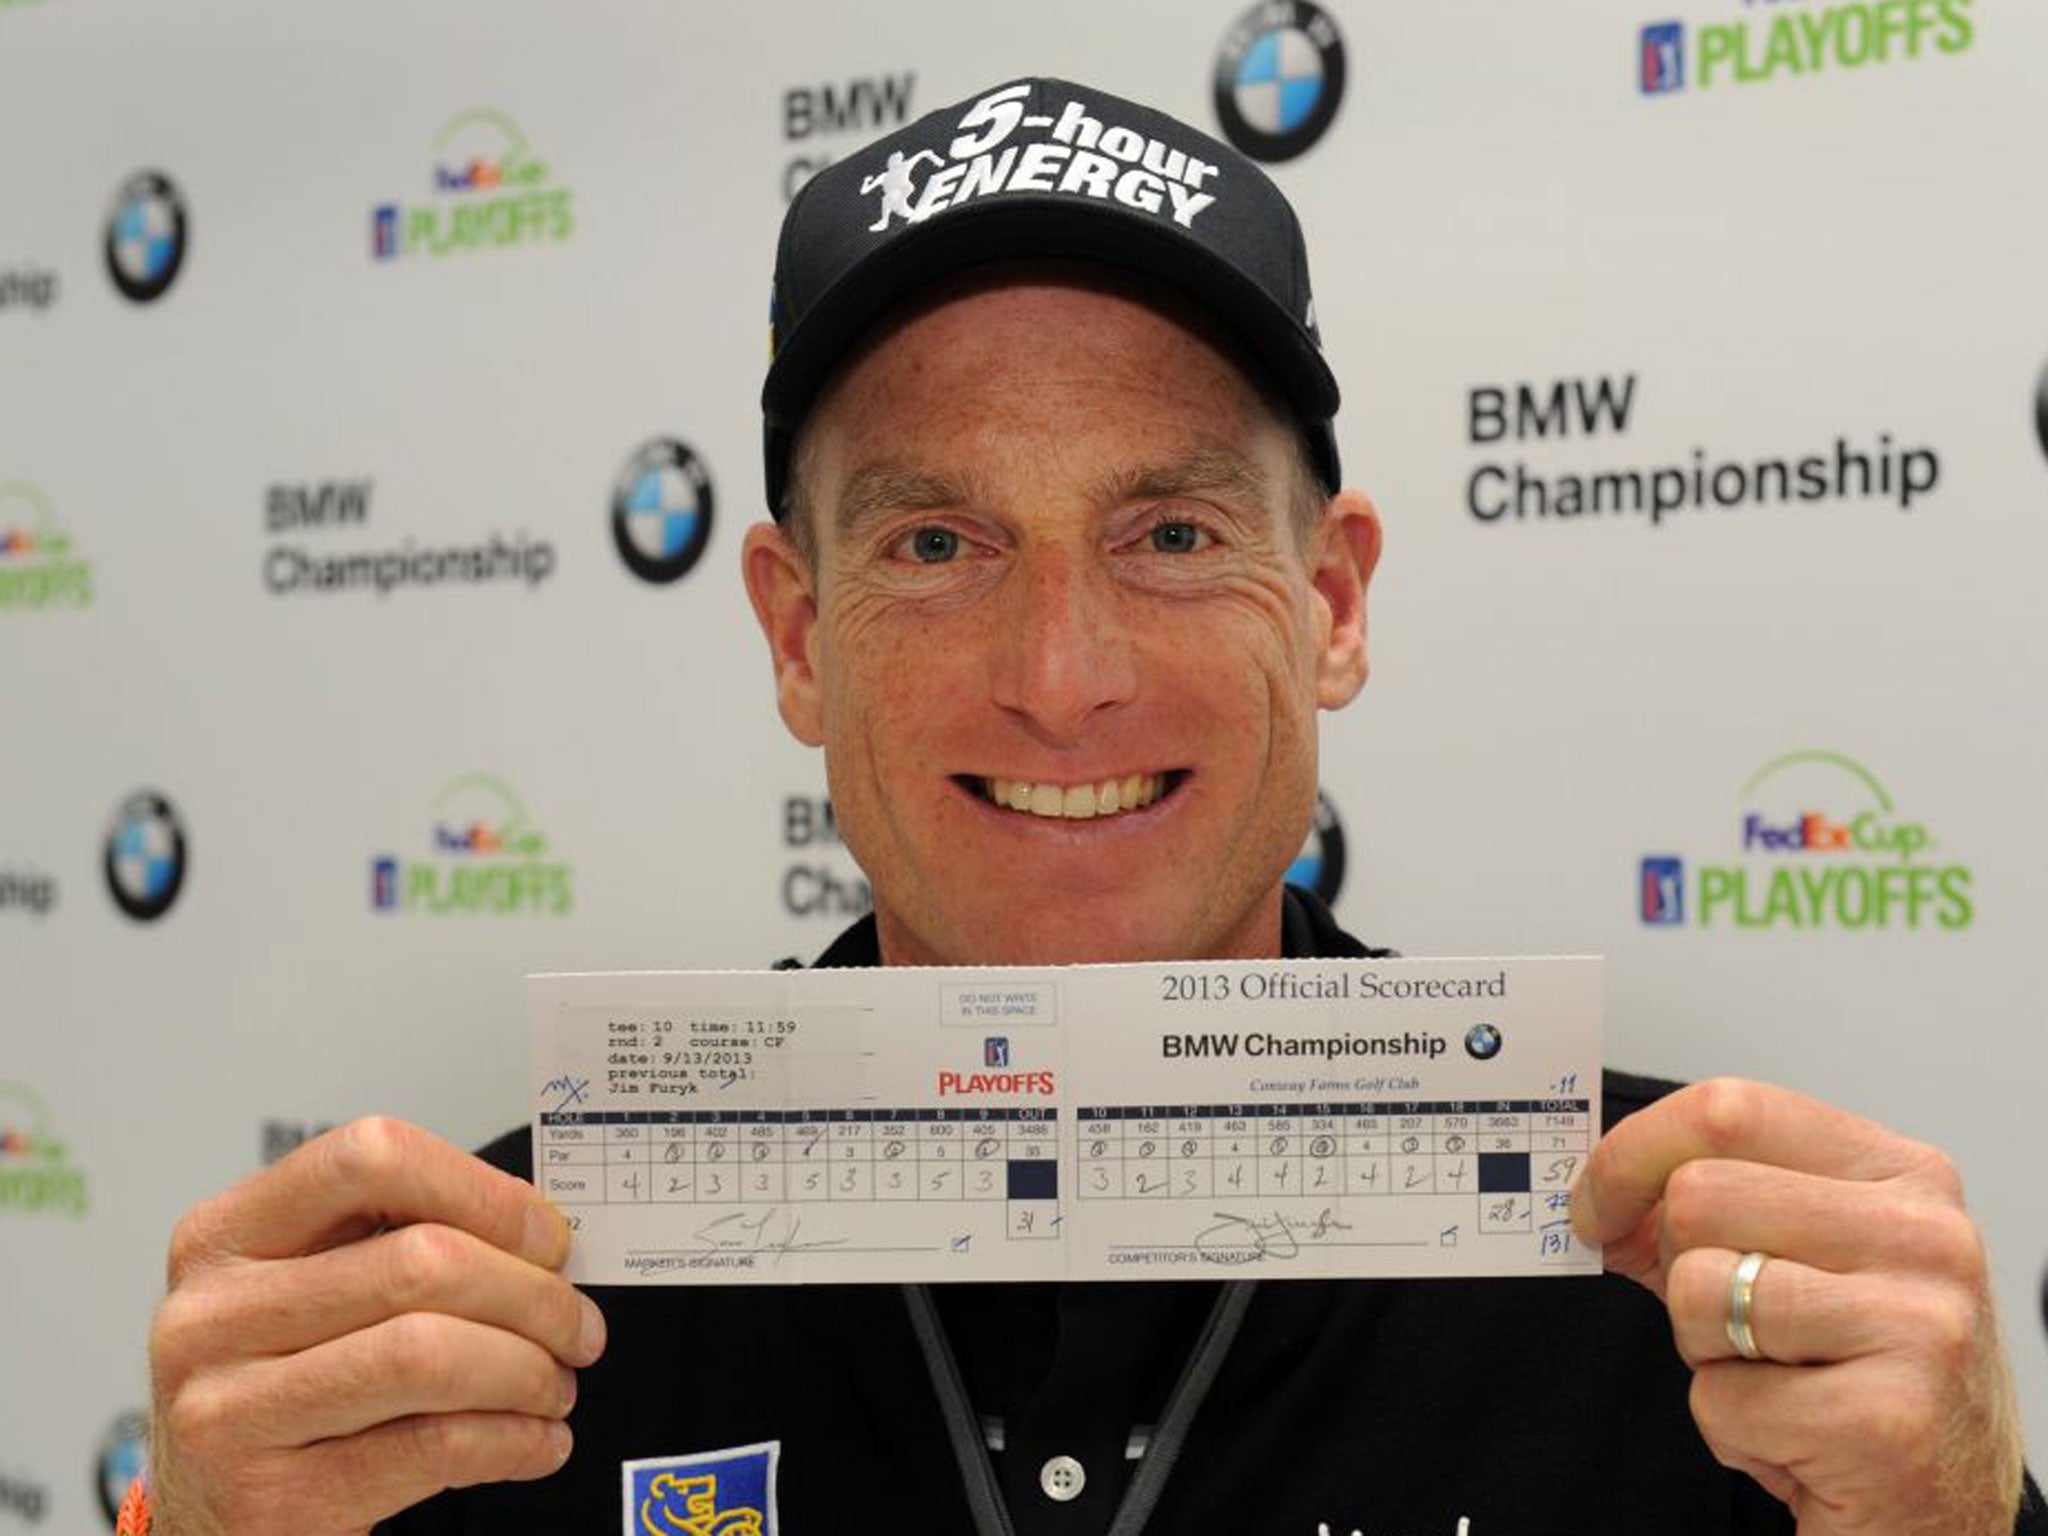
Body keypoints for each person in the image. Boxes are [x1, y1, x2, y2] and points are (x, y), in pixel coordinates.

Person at [137, 79, 2039, 1536]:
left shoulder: (1693, 1315)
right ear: (799, 638)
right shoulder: (476, 1339)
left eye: (1174, 533)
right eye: (938, 543)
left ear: (1333, 604)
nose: (1063, 674)